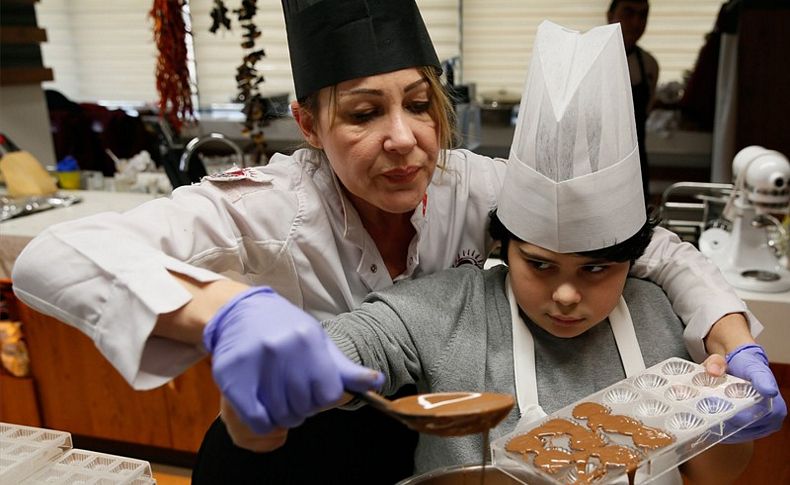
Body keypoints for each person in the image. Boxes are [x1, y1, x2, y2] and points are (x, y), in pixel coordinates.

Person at [9, 0, 779, 483]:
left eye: (418, 103)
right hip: (289, 449)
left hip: (416, 447)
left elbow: (651, 248)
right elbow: (51, 257)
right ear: (308, 124)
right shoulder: (271, 206)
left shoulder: (475, 183)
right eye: (363, 113)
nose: (405, 140)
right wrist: (224, 312)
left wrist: (732, 335)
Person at [222, 21, 780, 483]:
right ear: (502, 245)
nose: (566, 295)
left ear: (633, 263)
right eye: (539, 264)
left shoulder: (661, 318)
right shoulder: (441, 312)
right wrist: (285, 364)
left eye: (596, 269)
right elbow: (359, 340)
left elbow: (717, 476)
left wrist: (717, 416)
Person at [607, 0, 658, 204]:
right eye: (629, 13)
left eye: (643, 15)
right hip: (597, 168)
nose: (636, 22)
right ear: (609, 16)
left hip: (635, 167)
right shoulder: (589, 57)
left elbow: (644, 112)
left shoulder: (649, 65)